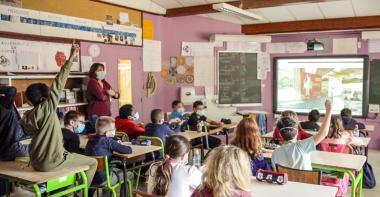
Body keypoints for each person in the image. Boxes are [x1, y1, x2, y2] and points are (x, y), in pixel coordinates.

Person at [20, 42, 97, 185]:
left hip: (36, 161)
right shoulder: (48, 106)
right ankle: (82, 192)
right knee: (92, 162)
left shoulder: (27, 116)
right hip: (52, 161)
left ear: (30, 101)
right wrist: (71, 58)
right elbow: (59, 81)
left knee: (70, 155)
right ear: (44, 98)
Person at [271, 100, 332, 170]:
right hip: (305, 181)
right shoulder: (302, 146)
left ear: (280, 134)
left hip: (287, 181)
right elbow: (323, 134)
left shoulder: (275, 153)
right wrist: (329, 109)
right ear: (297, 132)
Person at [85, 116, 132, 194]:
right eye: (113, 129)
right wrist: (117, 144)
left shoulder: (90, 140)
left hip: (91, 177)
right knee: (129, 175)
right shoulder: (108, 141)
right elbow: (128, 150)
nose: (115, 130)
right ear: (107, 133)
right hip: (104, 178)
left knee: (107, 170)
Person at [87, 62, 120, 128]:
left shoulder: (104, 82)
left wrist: (115, 94)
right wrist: (109, 93)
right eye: (99, 70)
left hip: (106, 114)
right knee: (101, 134)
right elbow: (101, 97)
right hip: (96, 114)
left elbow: (116, 95)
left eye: (102, 70)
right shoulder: (92, 82)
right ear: (93, 71)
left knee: (108, 133)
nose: (101, 72)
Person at [0, 86, 28, 161]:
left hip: (6, 146)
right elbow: (11, 90)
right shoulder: (3, 103)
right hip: (11, 147)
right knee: (41, 152)